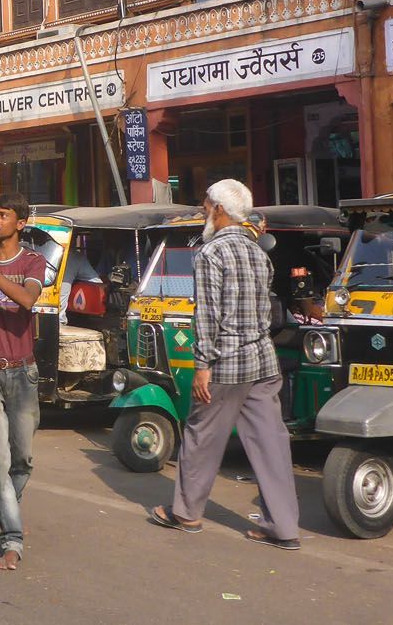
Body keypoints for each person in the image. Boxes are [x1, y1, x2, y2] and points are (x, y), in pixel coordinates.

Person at [148, 179, 302, 551]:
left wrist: (202, 364)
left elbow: (208, 315)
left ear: (219, 209)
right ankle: (283, 527)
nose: (203, 210)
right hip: (263, 360)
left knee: (202, 435)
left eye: (205, 204)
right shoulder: (258, 253)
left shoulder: (210, 254)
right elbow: (265, 310)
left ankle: (186, 513)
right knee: (271, 444)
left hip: (225, 363)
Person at [0, 192, 47, 572]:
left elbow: (26, 300)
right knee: (0, 460)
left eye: (2, 215)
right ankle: (12, 538)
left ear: (19, 224)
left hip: (23, 372)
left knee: (22, 458)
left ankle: (8, 499)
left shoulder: (32, 262)